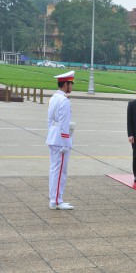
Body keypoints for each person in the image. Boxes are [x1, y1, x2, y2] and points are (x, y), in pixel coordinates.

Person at [46, 71, 76, 210]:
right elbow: (64, 124)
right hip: (60, 140)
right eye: (71, 84)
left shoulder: (54, 98)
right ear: (66, 84)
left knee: (54, 170)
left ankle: (55, 198)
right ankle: (56, 200)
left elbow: (49, 120)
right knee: (60, 171)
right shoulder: (63, 100)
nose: (71, 87)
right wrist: (65, 142)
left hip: (53, 136)